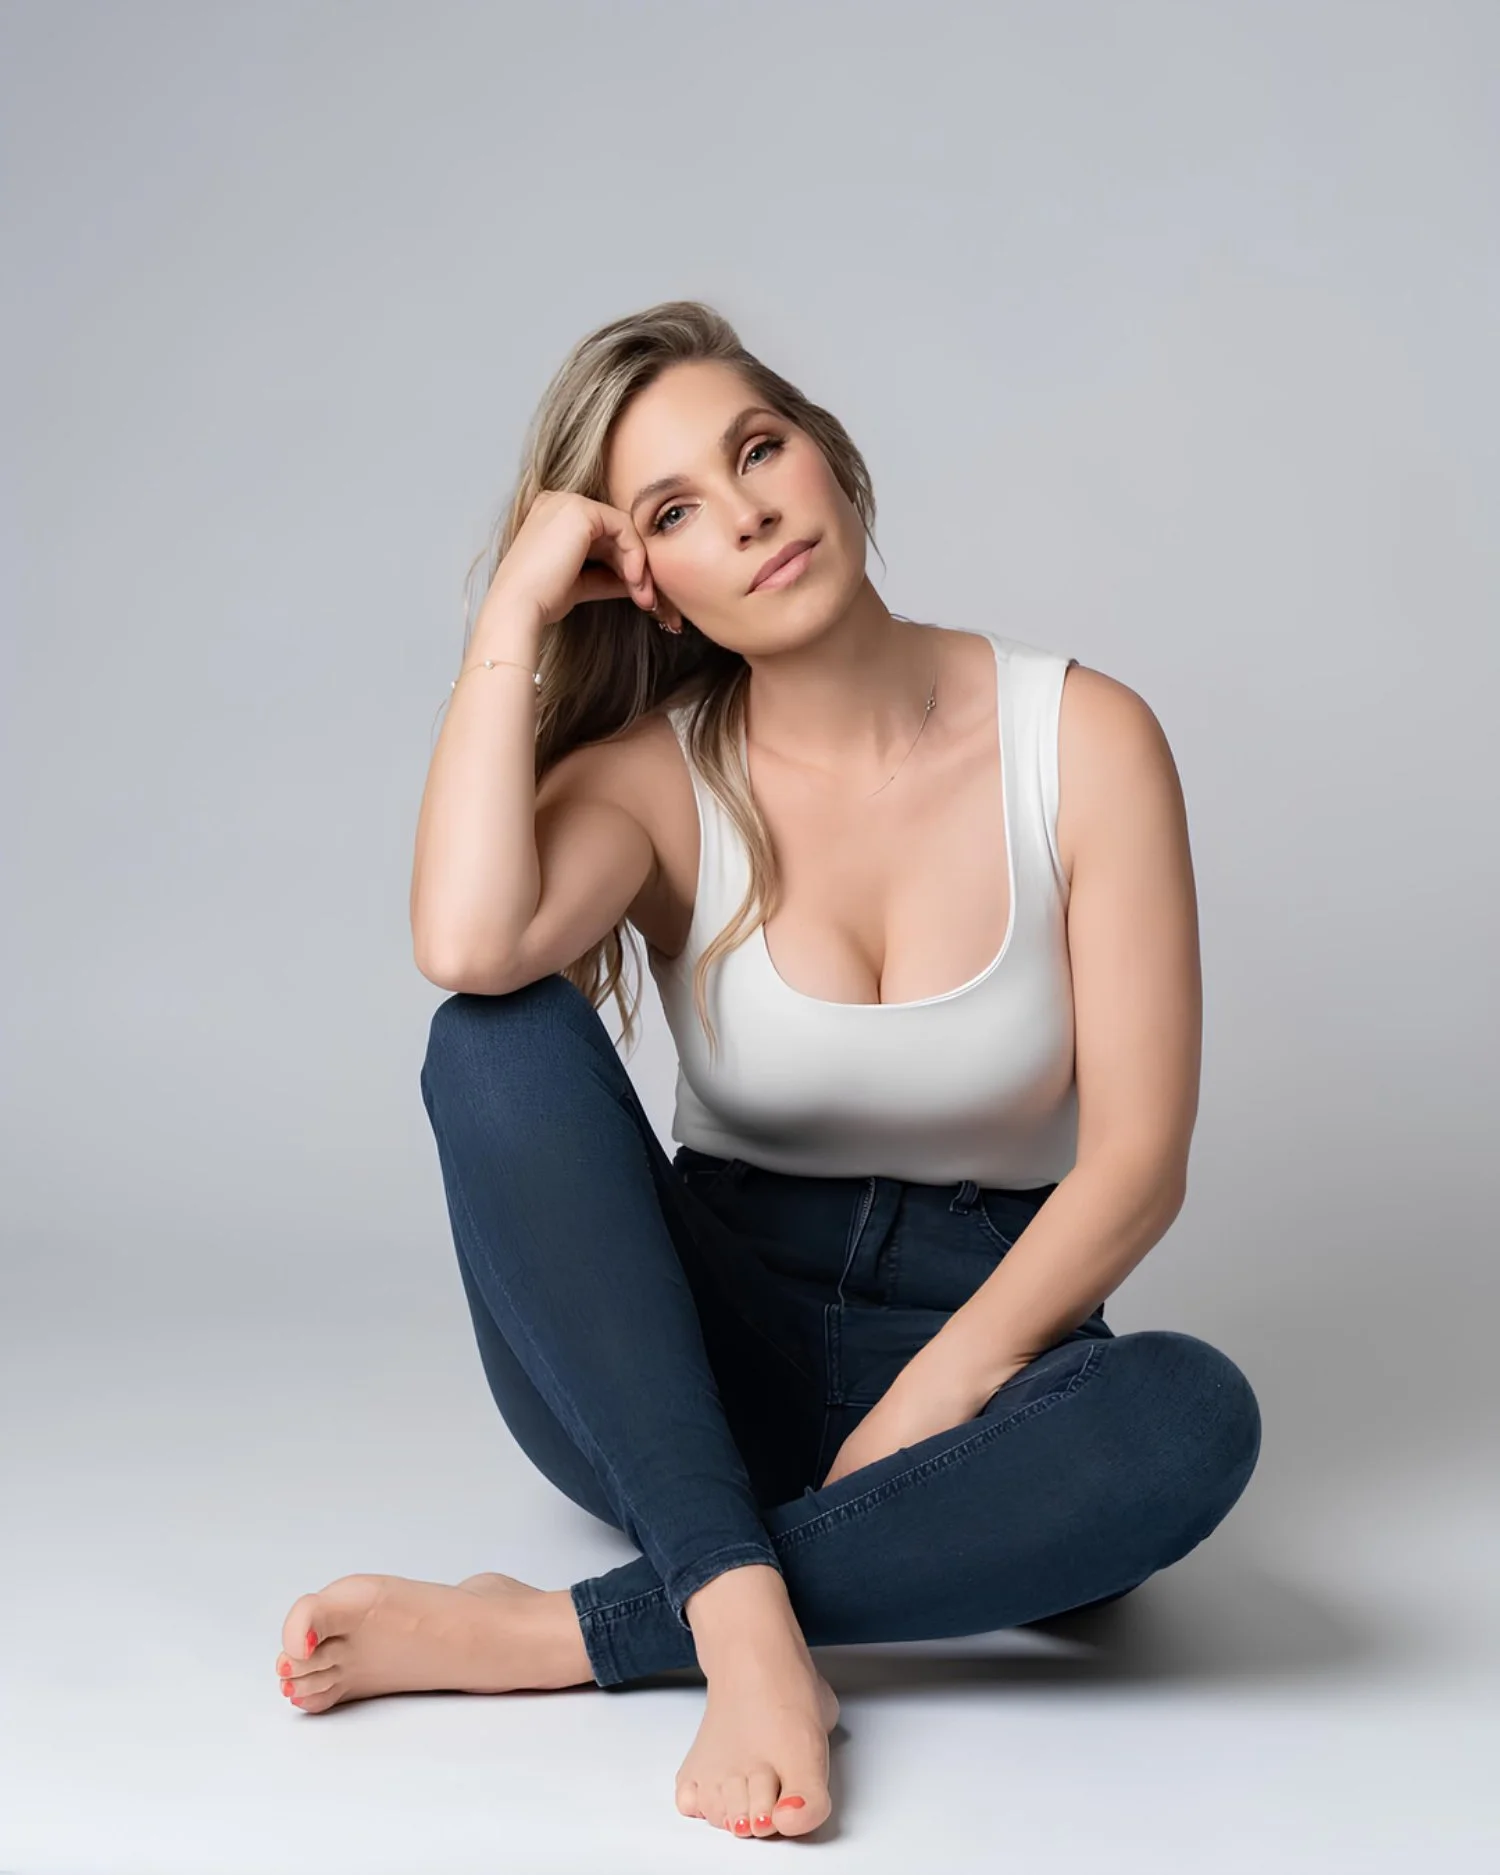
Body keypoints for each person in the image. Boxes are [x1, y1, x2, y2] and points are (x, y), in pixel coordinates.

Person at [272, 300, 1261, 1841]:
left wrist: (942, 1389)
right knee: (497, 1036)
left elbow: (1137, 1160)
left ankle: (569, 1628)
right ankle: (743, 1616)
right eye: (674, 509)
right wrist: (515, 614)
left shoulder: (1085, 739)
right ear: (645, 579)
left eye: (757, 449)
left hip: (982, 1342)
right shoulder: (659, 780)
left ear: (828, 455)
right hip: (681, 1356)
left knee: (1194, 1419)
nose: (745, 513)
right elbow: (469, 943)